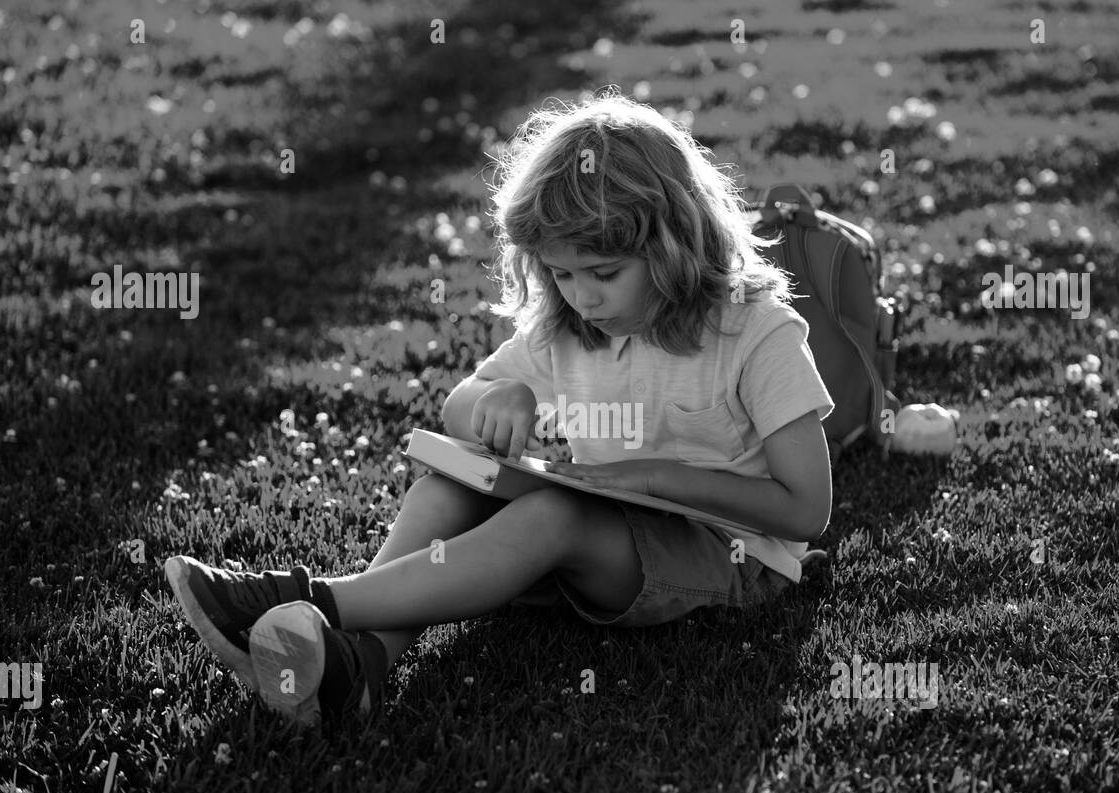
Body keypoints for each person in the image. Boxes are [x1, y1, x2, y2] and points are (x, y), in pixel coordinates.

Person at [164, 90, 835, 729]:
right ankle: (364, 663)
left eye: (603, 273)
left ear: (672, 241)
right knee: (450, 481)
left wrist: (653, 477)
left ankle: (305, 599)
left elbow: (806, 509)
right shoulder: (569, 327)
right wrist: (502, 397)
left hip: (734, 558)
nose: (584, 297)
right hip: (611, 537)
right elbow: (460, 406)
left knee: (552, 514)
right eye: (563, 275)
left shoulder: (754, 331)